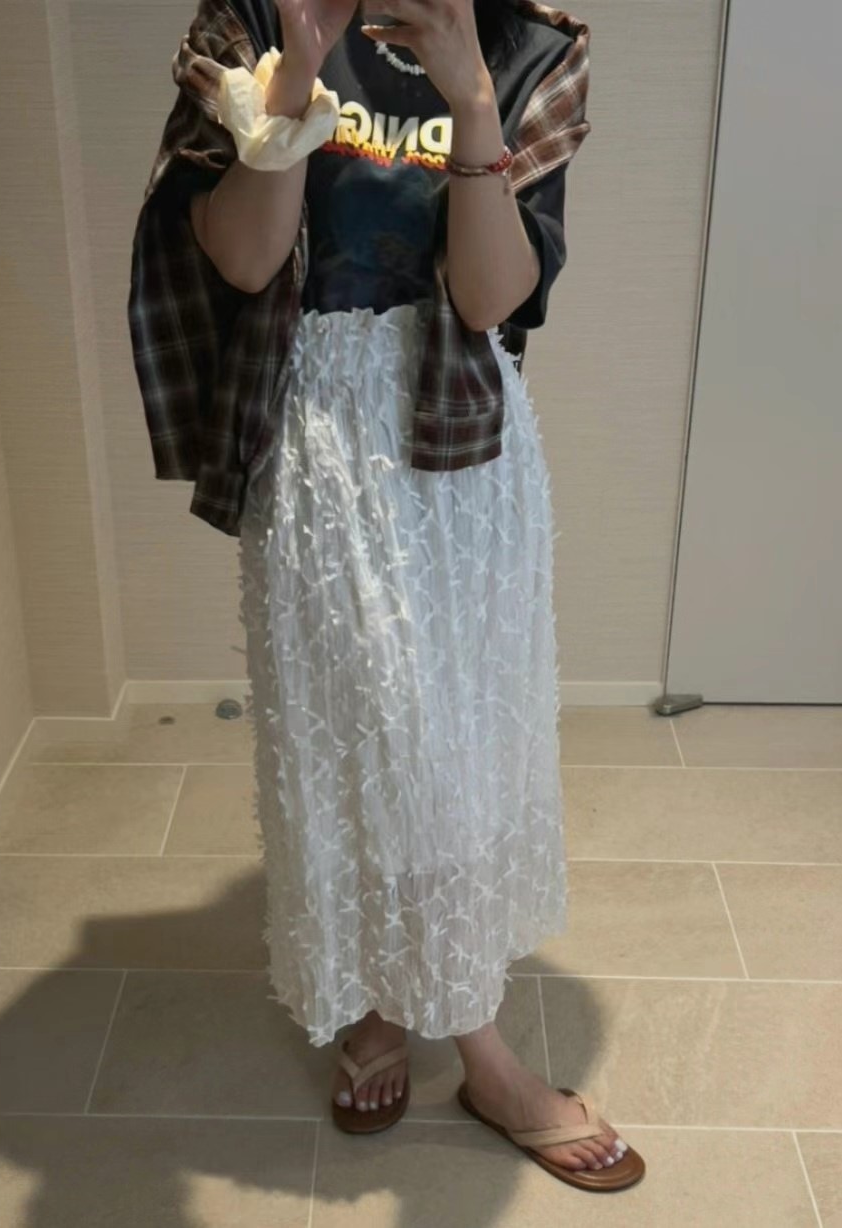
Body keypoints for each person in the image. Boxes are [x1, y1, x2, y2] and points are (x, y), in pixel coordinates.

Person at [128, 0, 645, 1193]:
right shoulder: (253, 17)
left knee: (454, 749)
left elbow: (490, 296)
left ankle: (460, 1032)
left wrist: (470, 98)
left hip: (463, 441)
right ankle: (399, 1013)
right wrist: (295, 84)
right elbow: (244, 259)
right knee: (355, 740)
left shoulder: (528, 43)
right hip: (313, 430)